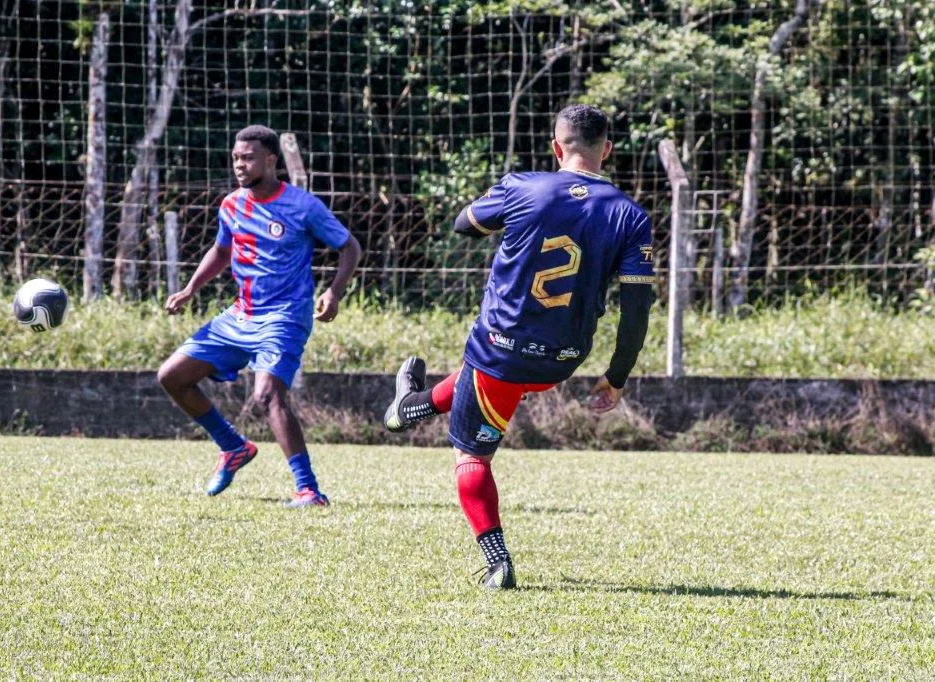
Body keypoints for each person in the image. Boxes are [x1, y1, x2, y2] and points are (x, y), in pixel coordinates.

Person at [383, 104, 655, 587]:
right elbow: (637, 309)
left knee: (472, 456)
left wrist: (512, 214)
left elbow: (464, 225)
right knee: (477, 386)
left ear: (556, 148)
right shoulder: (631, 215)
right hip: (562, 360)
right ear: (607, 150)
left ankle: (497, 561)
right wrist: (616, 378)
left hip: (501, 350)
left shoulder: (523, 187)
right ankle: (407, 409)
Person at [158, 124, 362, 507]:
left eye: (248, 158)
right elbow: (222, 251)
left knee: (267, 395)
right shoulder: (231, 205)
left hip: (285, 316)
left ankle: (308, 490)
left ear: (270, 161)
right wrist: (190, 289)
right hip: (241, 315)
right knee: (172, 376)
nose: (240, 164)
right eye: (236, 158)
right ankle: (233, 447)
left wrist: (333, 292)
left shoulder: (303, 206)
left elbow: (349, 247)